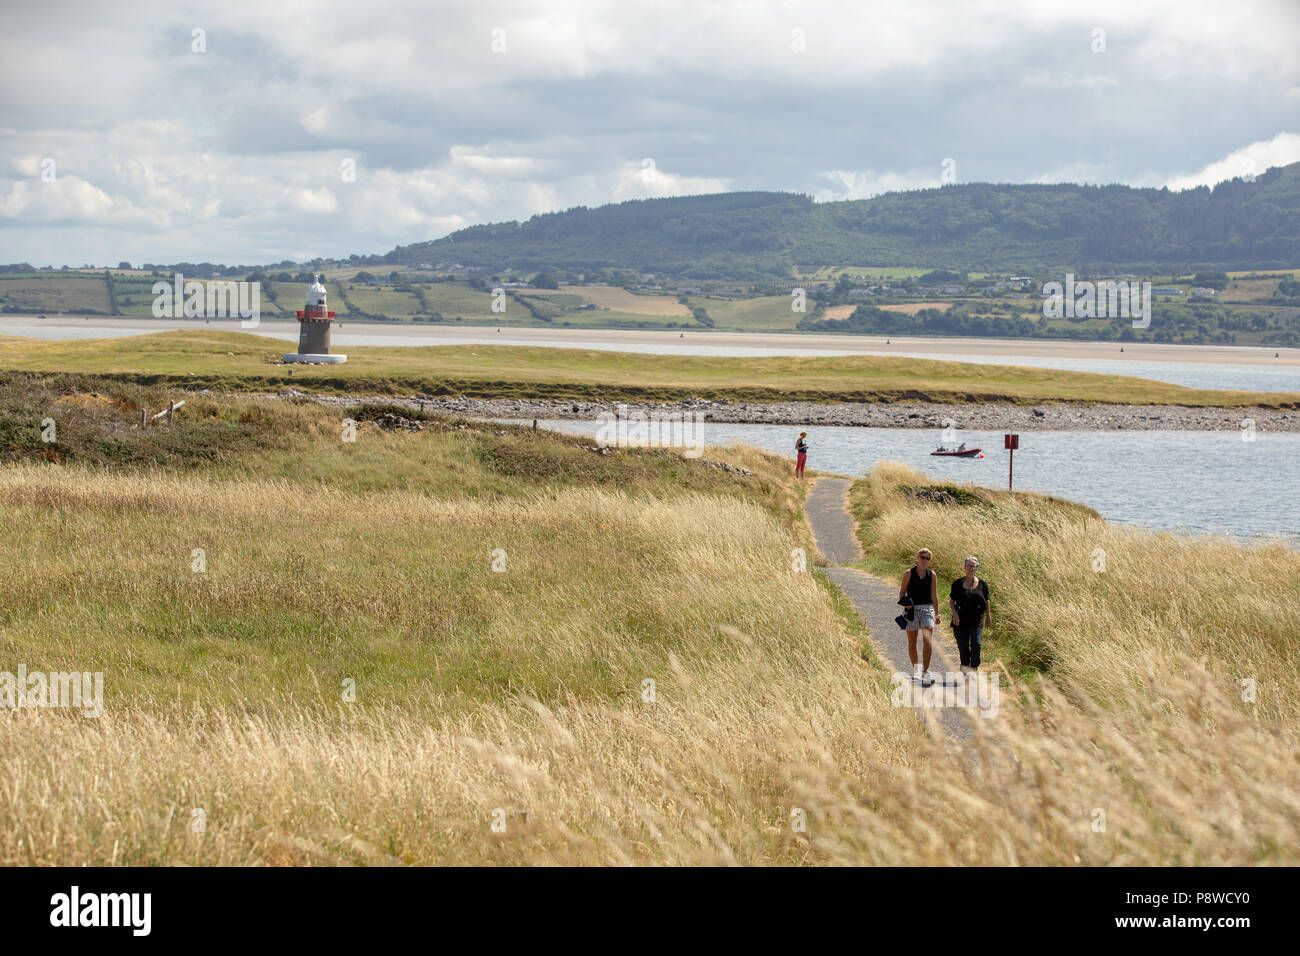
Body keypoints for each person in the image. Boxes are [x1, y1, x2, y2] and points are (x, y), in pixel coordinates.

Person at [899, 548, 940, 686]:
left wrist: (937, 613)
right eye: (922, 557)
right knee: (912, 641)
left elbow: (934, 595)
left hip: (927, 608)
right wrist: (907, 605)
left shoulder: (931, 574)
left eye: (927, 558)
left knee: (928, 638)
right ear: (917, 558)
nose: (924, 560)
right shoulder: (908, 573)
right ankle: (916, 670)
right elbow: (901, 594)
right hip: (912, 610)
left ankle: (925, 670)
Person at [949, 556, 991, 675]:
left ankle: (974, 668)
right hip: (960, 620)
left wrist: (988, 616)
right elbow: (951, 601)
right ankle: (965, 668)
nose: (971, 568)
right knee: (963, 647)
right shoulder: (957, 583)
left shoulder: (982, 584)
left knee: (976, 644)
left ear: (977, 568)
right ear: (964, 567)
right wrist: (955, 614)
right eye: (968, 565)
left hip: (977, 619)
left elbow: (987, 601)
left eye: (973, 566)